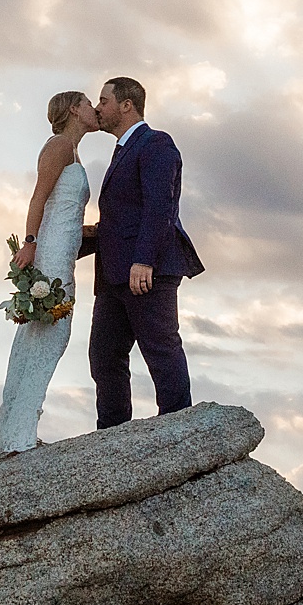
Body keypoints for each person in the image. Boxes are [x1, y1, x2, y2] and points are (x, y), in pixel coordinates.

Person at [0, 90, 102, 462]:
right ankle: (18, 435)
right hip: (49, 255)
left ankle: (18, 429)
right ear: (75, 109)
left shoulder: (74, 151)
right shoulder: (58, 146)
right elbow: (38, 197)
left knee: (46, 339)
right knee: (47, 336)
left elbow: (65, 209)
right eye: (90, 104)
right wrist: (29, 243)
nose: (95, 109)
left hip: (65, 252)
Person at [85, 76, 204, 427]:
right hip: (113, 276)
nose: (98, 107)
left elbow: (159, 206)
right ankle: (111, 434)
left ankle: (178, 427)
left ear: (126, 105)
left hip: (147, 271)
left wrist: (144, 260)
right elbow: (122, 217)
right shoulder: (121, 151)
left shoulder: (156, 143)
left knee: (161, 349)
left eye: (104, 100)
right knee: (104, 356)